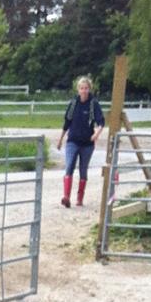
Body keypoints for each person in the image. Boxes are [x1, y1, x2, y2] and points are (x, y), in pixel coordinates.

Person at [56, 76, 105, 208]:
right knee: (69, 165)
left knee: (83, 170)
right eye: (81, 88)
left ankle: (80, 198)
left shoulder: (93, 104)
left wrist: (96, 134)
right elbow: (67, 123)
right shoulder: (73, 104)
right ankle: (66, 196)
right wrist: (60, 139)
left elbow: (101, 122)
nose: (84, 91)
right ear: (78, 89)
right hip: (73, 141)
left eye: (86, 88)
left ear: (89, 89)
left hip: (87, 144)